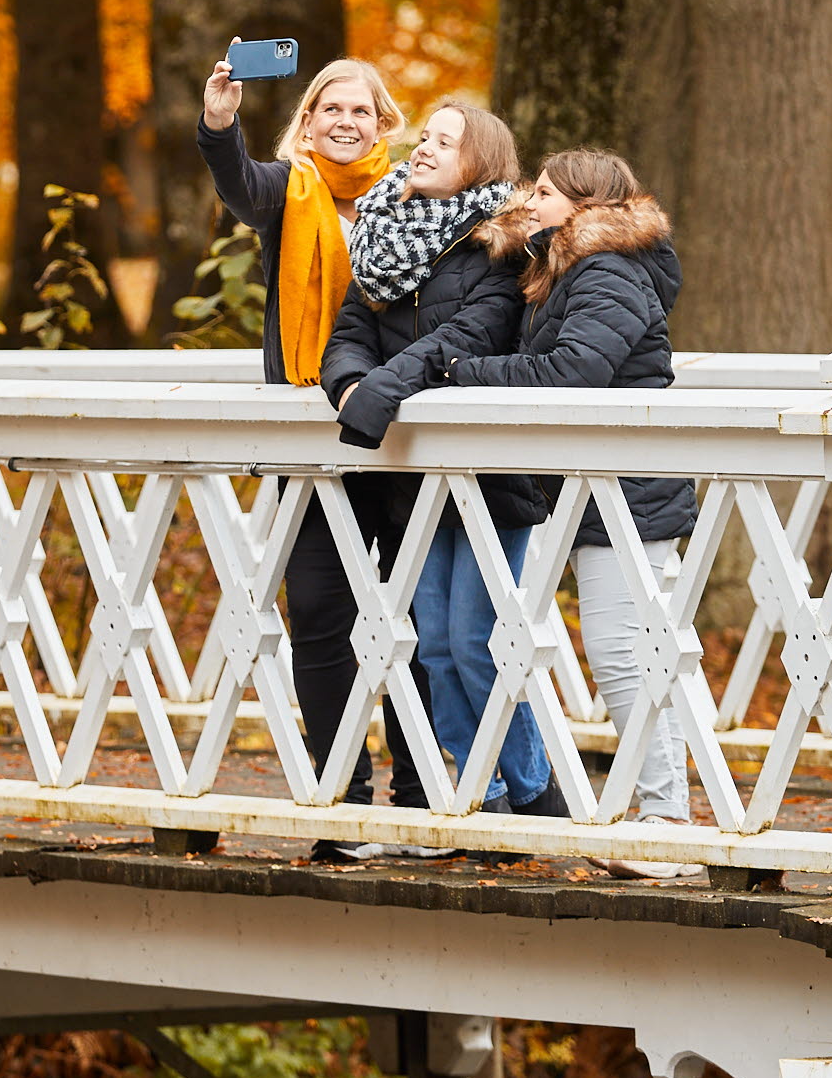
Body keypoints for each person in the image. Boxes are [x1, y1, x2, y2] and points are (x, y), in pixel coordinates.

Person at [441, 149, 698, 880]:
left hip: (628, 494)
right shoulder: (565, 271)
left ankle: (668, 823)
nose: (530, 197)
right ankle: (657, 813)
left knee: (626, 653)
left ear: (584, 207)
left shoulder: (608, 272)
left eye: (545, 191)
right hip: (592, 494)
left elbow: (571, 373)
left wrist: (465, 373)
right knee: (622, 650)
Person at [196, 54, 421, 855]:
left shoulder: (413, 196)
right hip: (311, 437)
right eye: (332, 108)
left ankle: (423, 797)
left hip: (399, 431)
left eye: (362, 110)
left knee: (412, 617)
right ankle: (342, 798)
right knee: (322, 616)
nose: (347, 121)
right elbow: (238, 185)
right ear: (310, 120)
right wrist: (221, 123)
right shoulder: (289, 194)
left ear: (383, 122)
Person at [319, 102, 562, 818]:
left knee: (476, 640)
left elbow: (471, 333)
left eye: (443, 141)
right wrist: (349, 384)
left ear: (478, 161)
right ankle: (481, 793)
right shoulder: (384, 237)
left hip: (491, 474)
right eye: (422, 135)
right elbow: (350, 331)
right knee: (431, 645)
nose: (422, 148)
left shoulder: (503, 246)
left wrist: (376, 396)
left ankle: (536, 790)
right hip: (416, 478)